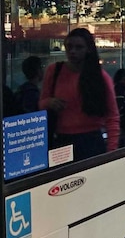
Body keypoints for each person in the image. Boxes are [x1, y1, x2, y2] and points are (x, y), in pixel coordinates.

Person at [40, 28, 120, 160]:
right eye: (69, 47)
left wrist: (111, 151)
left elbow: (112, 116)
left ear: (88, 49)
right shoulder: (54, 71)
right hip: (61, 139)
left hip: (90, 140)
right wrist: (49, 102)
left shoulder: (99, 77)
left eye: (79, 47)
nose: (72, 51)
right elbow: (41, 103)